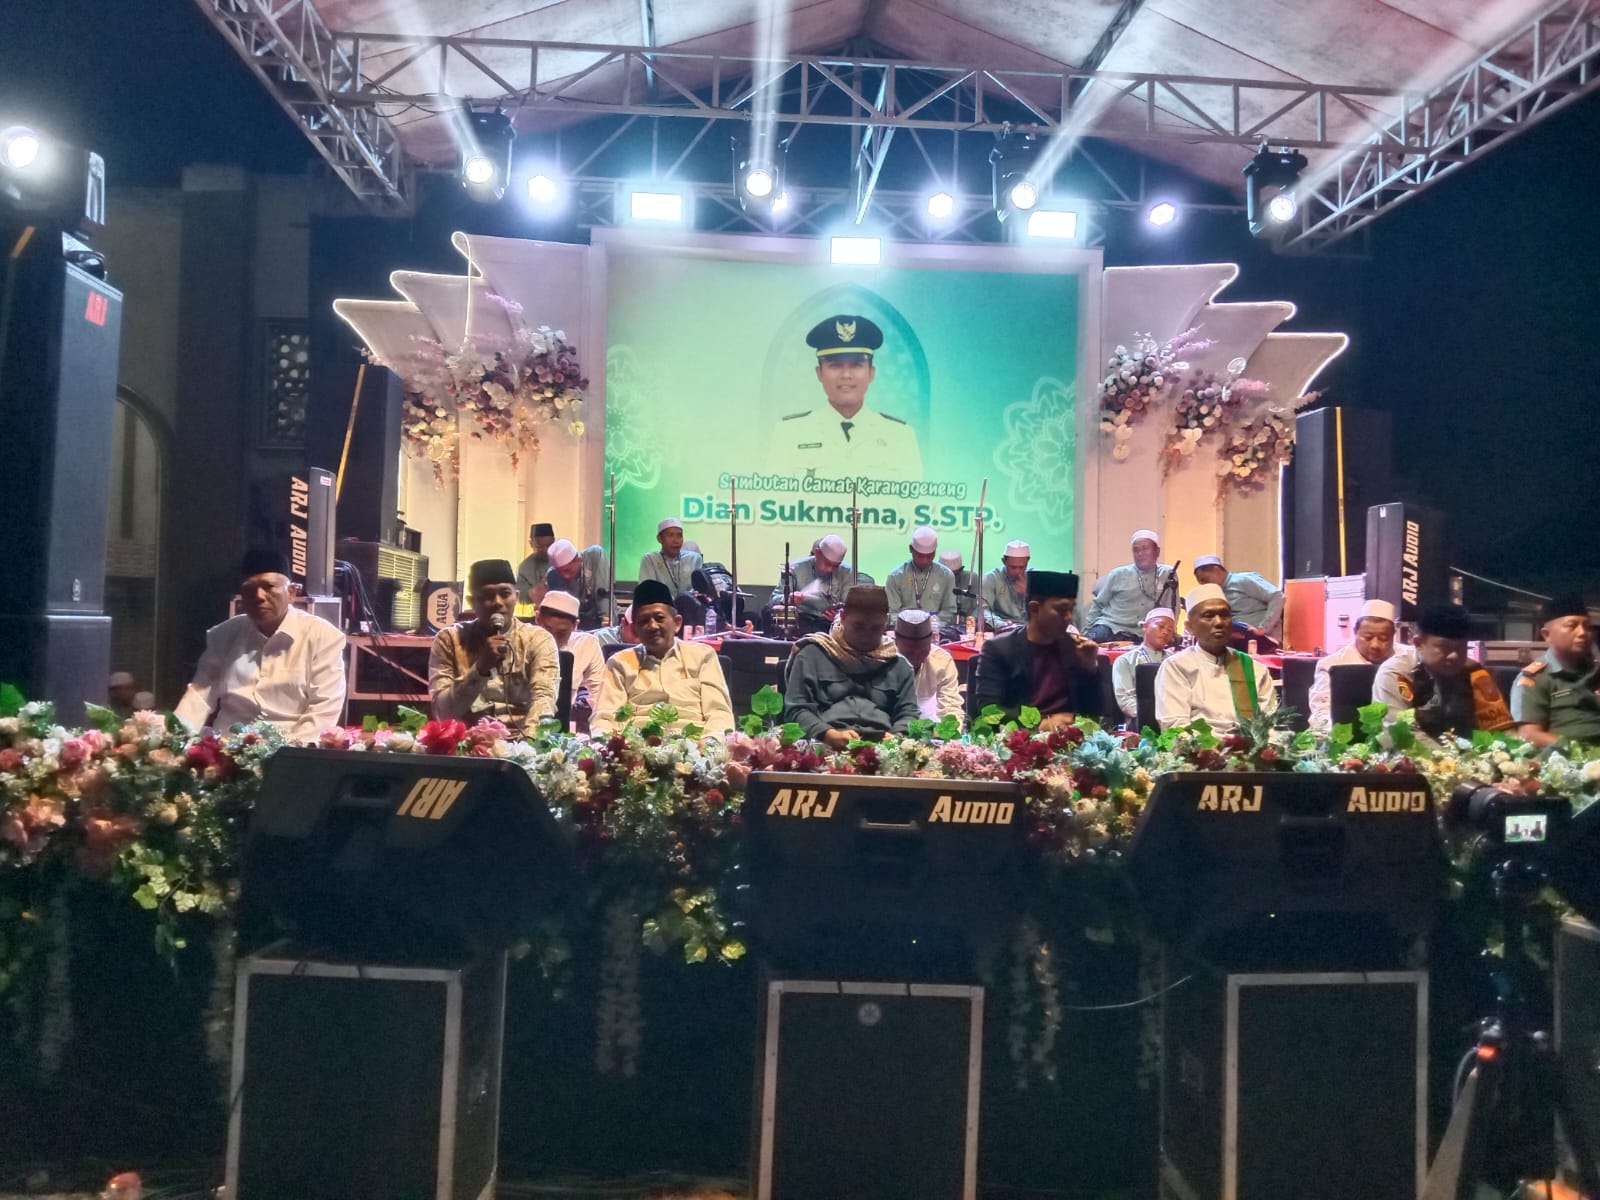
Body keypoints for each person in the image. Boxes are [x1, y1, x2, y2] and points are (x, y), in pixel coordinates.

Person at [175, 548, 347, 741]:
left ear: (291, 593)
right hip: (225, 747)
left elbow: (324, 707)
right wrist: (173, 739)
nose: (258, 596)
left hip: (289, 746)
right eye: (249, 589)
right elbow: (199, 696)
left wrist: (292, 752)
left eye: (269, 586)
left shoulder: (322, 636)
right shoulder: (224, 635)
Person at [766, 314, 923, 481]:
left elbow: (912, 497)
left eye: (856, 365)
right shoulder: (790, 433)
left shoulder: (900, 436)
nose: (846, 375)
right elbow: (775, 496)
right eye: (835, 365)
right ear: (819, 373)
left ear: (871, 373)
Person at [429, 558, 559, 734]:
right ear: (472, 602)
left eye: (505, 594)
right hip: (466, 740)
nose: (498, 602)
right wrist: (481, 668)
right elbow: (442, 713)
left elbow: (544, 700)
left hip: (522, 738)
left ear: (517, 597)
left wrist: (527, 744)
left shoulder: (538, 639)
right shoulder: (449, 640)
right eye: (487, 596)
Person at [590, 580, 736, 737]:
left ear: (677, 623)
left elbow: (719, 714)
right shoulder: (619, 663)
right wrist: (612, 746)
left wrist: (708, 745)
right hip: (636, 746)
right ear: (634, 630)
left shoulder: (702, 656)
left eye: (659, 618)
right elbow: (604, 718)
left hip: (695, 745)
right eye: (644, 621)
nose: (652, 626)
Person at [784, 585, 920, 747]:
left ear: (886, 622)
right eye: (858, 626)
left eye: (876, 628)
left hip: (884, 750)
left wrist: (896, 737)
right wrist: (827, 734)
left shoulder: (899, 665)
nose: (866, 635)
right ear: (842, 617)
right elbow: (796, 710)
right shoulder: (812, 655)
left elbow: (909, 714)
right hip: (823, 746)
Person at [973, 569, 1102, 729]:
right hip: (1019, 739)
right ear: (1034, 608)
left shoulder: (1073, 648)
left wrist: (1090, 668)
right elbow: (989, 710)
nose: (1069, 617)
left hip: (1070, 738)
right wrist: (1041, 724)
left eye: (1071, 609)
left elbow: (1094, 714)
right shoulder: (999, 649)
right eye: (1062, 610)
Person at [1372, 603, 1513, 741]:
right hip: (1410, 754)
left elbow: (1501, 730)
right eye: (1444, 647)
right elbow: (1400, 734)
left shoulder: (1474, 672)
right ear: (1418, 643)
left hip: (1468, 752)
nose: (1454, 656)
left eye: (1461, 648)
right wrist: (1448, 757)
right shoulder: (1397, 673)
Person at [1154, 584, 1277, 732]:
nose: (1219, 622)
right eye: (1208, 616)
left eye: (1224, 615)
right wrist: (1216, 746)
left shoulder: (1254, 669)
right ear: (1189, 627)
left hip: (1250, 745)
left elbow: (1271, 724)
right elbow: (1175, 727)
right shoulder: (1177, 666)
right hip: (1198, 745)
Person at [1511, 596, 1599, 746]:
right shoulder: (1535, 679)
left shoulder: (1596, 671)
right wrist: (1579, 749)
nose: (1583, 632)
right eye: (1572, 626)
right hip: (1569, 756)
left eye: (1587, 626)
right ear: (1547, 635)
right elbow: (1529, 735)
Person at [1307, 599, 1400, 732]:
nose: (1375, 645)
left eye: (1383, 638)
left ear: (1393, 635)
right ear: (1355, 631)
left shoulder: (1407, 658)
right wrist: (1339, 732)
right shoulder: (1332, 664)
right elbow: (1321, 712)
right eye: (1368, 637)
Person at [1082, 530, 1177, 643]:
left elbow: (1172, 609)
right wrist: (1086, 632)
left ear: (1157, 551)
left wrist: (1171, 630)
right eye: (1136, 550)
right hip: (1112, 626)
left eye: (1145, 549)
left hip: (1143, 631)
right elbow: (1099, 604)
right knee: (1095, 639)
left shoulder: (1168, 574)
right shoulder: (1118, 574)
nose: (1140, 553)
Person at [774, 533, 874, 635]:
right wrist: (789, 598)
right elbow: (774, 599)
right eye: (827, 564)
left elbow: (850, 607)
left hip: (832, 626)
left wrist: (838, 616)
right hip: (801, 621)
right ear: (817, 553)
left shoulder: (847, 572)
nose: (830, 569)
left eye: (835, 566)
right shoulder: (796, 568)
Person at [535, 589, 605, 722]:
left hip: (564, 721)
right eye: (547, 630)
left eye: (561, 633)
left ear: (575, 626)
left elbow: (599, 695)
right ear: (537, 618)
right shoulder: (522, 640)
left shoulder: (586, 644)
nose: (552, 639)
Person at [1192, 555, 1285, 650]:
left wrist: (1263, 628)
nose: (1205, 585)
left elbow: (1277, 596)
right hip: (1237, 641)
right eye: (1201, 583)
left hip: (1264, 640)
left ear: (1215, 569)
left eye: (1205, 580)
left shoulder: (1243, 580)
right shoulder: (1217, 592)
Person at [893, 608, 963, 728]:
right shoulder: (882, 660)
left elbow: (950, 707)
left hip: (927, 725)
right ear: (896, 641)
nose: (916, 655)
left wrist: (950, 731)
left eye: (923, 650)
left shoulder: (942, 661)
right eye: (909, 651)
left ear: (931, 639)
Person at [1112, 607, 1178, 726]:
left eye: (1170, 630)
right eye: (1161, 626)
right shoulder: (1125, 661)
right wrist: (1152, 716)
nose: (1165, 632)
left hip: (1173, 720)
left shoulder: (1175, 660)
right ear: (1145, 626)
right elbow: (1125, 701)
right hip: (1140, 724)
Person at [884, 526, 956, 630]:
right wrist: (908, 625)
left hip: (935, 631)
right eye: (920, 556)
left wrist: (932, 625)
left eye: (930, 556)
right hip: (904, 631)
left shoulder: (946, 576)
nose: (924, 560)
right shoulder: (896, 576)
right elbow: (892, 612)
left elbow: (949, 611)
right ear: (911, 549)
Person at [637, 517, 705, 622]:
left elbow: (700, 591)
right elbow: (647, 592)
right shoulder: (650, 559)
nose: (676, 540)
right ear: (659, 539)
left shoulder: (694, 558)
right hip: (660, 615)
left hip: (690, 613)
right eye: (670, 535)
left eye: (679, 535)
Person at [545, 538, 612, 629]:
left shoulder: (595, 556)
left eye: (567, 570)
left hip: (600, 624)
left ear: (579, 560)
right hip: (572, 628)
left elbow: (604, 596)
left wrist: (606, 625)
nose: (565, 576)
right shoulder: (552, 575)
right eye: (560, 572)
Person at [980, 540, 1031, 630]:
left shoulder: (1034, 578)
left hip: (1031, 628)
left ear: (1028, 562)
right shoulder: (992, 578)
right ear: (1003, 561)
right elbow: (984, 609)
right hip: (1003, 627)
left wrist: (1028, 592)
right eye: (1013, 567)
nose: (1017, 571)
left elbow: (1043, 610)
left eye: (1022, 567)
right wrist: (1000, 624)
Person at [516, 521, 557, 605]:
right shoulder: (525, 567)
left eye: (549, 545)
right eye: (540, 547)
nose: (546, 550)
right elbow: (520, 597)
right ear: (531, 544)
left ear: (554, 541)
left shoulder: (565, 558)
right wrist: (534, 593)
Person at [941, 549, 980, 630]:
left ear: (961, 570)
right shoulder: (935, 581)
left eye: (955, 574)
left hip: (967, 627)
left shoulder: (972, 579)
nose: (952, 578)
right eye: (948, 575)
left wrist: (971, 621)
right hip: (943, 627)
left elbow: (977, 607)